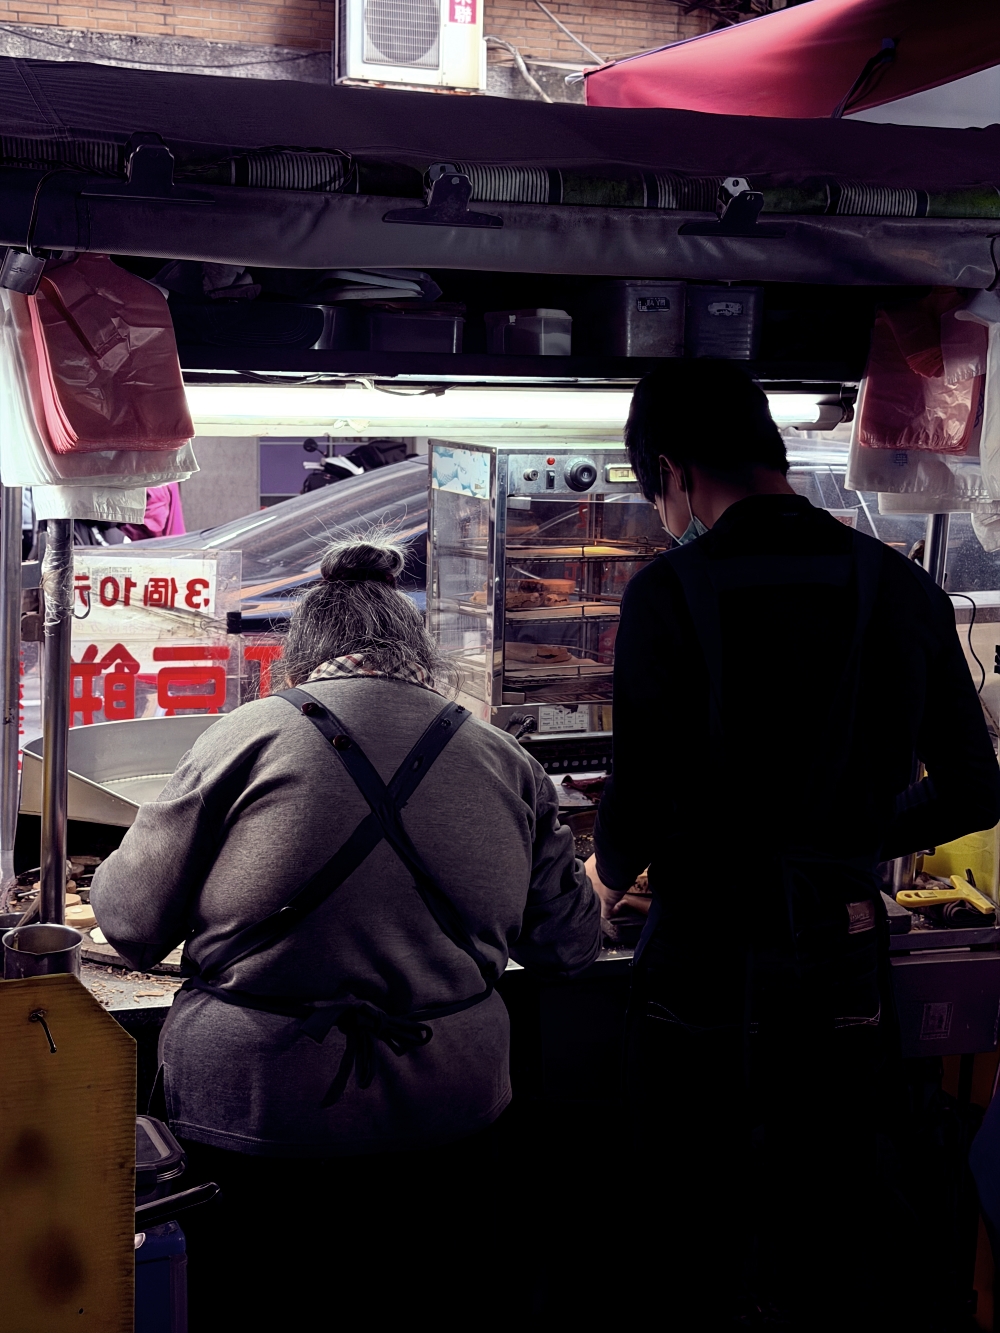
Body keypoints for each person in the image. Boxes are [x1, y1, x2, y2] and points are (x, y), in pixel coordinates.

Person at [91, 534, 600, 1329]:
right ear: (415, 653)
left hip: (260, 1119)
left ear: (297, 663)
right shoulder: (508, 760)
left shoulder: (244, 735)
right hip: (450, 1122)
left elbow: (125, 922)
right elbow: (569, 944)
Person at [585, 360, 1000, 1330]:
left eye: (657, 493)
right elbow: (978, 786)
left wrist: (601, 875)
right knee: (826, 1228)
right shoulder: (903, 590)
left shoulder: (665, 596)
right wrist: (852, 838)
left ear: (676, 473)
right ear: (771, 454)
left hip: (700, 978)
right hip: (840, 967)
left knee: (695, 1239)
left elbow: (635, 805)